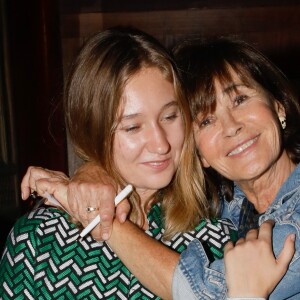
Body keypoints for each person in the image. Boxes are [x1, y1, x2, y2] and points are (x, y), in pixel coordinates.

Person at [18, 36, 297, 299]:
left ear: (279, 105)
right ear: (198, 150)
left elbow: (211, 290)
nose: (161, 144)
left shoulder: (212, 236)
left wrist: (104, 219)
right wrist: (93, 172)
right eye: (206, 121)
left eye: (240, 99)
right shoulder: (39, 239)